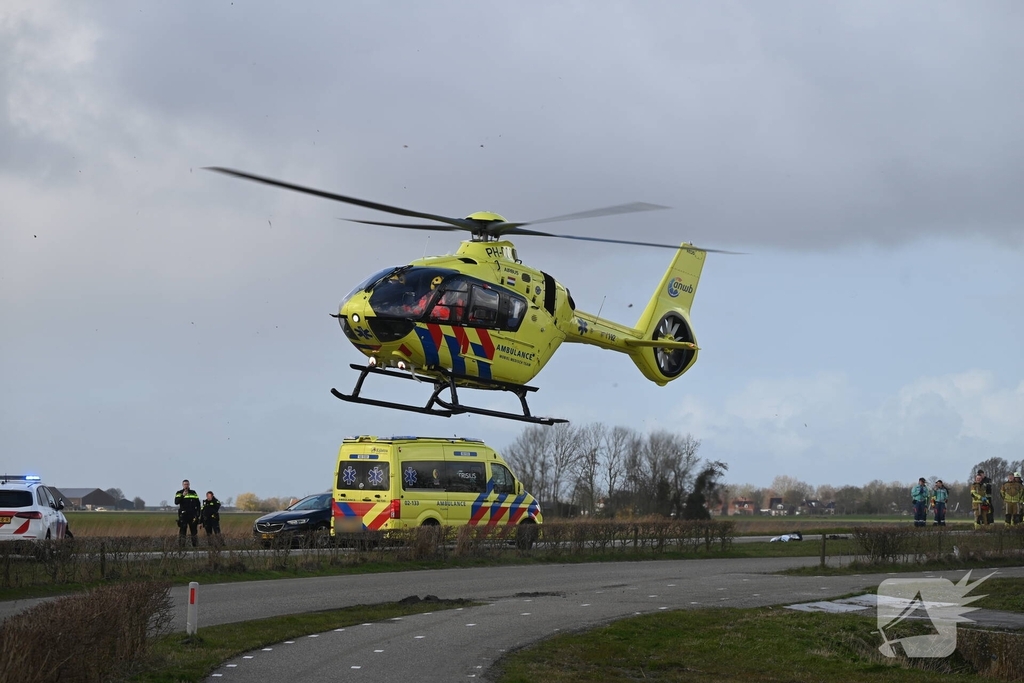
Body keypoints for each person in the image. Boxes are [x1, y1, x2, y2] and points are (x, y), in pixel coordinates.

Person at [175, 479, 201, 548]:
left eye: (187, 484)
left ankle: (195, 546)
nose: (186, 486)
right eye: (185, 484)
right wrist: (182, 495)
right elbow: (176, 502)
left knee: (194, 531)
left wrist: (198, 514)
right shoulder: (179, 492)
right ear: (182, 485)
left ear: (189, 485)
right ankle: (182, 546)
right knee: (183, 530)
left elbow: (198, 503)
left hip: (192, 515)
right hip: (183, 515)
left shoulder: (193, 492)